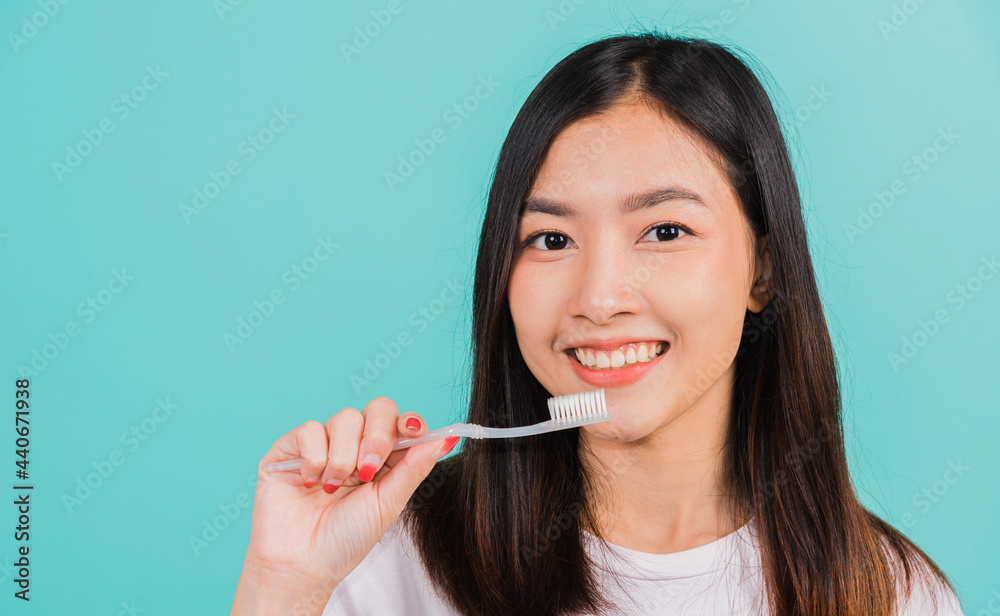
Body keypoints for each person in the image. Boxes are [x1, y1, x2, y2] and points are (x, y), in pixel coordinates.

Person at [230, 31, 966, 616]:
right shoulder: (388, 560)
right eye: (551, 240)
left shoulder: (893, 598)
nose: (599, 298)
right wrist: (284, 584)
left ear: (763, 269)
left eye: (665, 231)